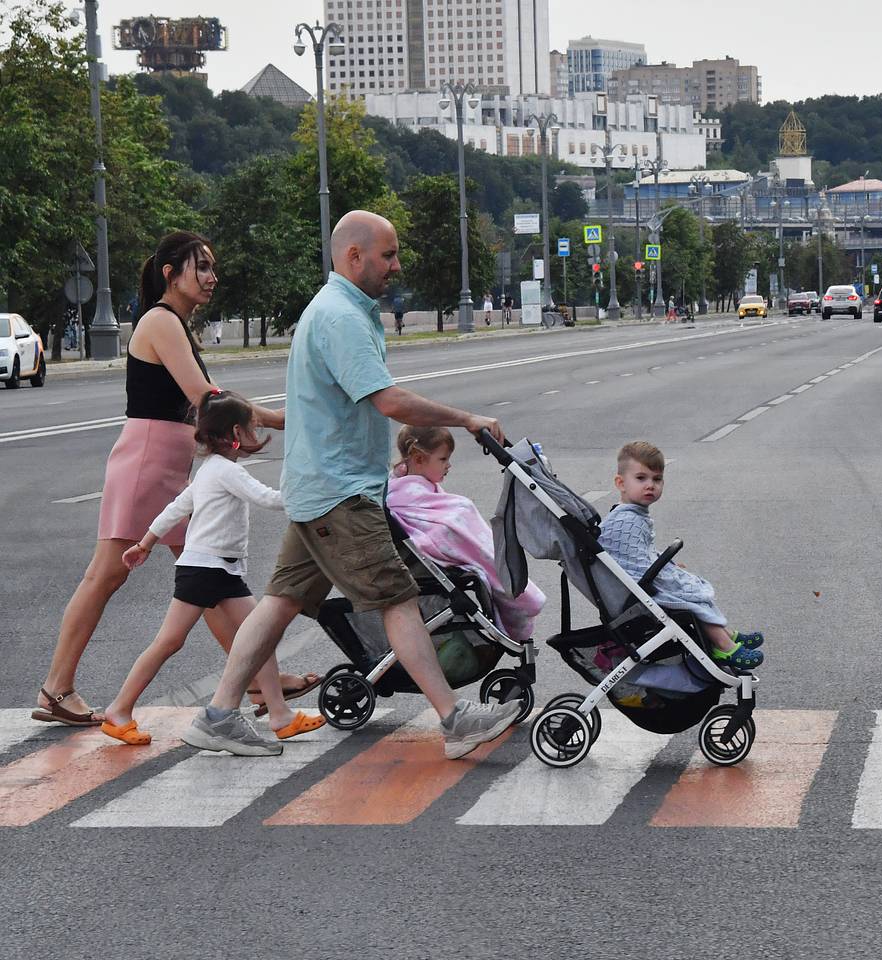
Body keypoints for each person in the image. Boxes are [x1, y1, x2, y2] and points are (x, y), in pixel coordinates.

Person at [183, 210, 520, 758]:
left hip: (320, 488)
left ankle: (219, 714)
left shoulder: (338, 311)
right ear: (353, 256)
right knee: (398, 598)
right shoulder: (340, 317)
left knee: (280, 603)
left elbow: (321, 405)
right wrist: (467, 418)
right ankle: (455, 720)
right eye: (387, 254)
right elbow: (386, 400)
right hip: (339, 493)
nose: (397, 264)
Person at [33, 231, 310, 728]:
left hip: (169, 465)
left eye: (212, 267)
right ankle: (56, 687)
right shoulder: (160, 321)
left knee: (211, 578)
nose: (211, 276)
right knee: (107, 575)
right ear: (170, 273)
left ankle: (254, 679)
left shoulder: (176, 324)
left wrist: (263, 421)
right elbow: (206, 396)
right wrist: (275, 419)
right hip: (146, 462)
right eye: (201, 266)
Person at [101, 390, 324, 745]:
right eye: (251, 428)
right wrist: (311, 495)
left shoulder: (210, 471)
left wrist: (145, 543)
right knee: (170, 642)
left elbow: (176, 508)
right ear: (234, 434)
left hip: (219, 569)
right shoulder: (225, 472)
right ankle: (119, 709)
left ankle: (280, 715)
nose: (254, 434)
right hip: (206, 570)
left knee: (259, 635)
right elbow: (267, 498)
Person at [597, 441, 764, 670]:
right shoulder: (626, 521)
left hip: (638, 586)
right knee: (689, 595)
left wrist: (668, 565)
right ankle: (724, 646)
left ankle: (727, 634)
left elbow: (640, 554)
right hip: (635, 594)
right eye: (641, 478)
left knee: (688, 583)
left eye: (656, 479)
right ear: (620, 483)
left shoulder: (631, 514)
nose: (650, 486)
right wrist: (664, 572)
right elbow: (633, 565)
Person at [386, 425, 545, 642]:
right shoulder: (404, 494)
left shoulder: (403, 486)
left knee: (463, 511)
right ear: (418, 458)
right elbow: (440, 528)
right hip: (442, 547)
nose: (448, 465)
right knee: (465, 515)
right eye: (443, 459)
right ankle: (520, 598)